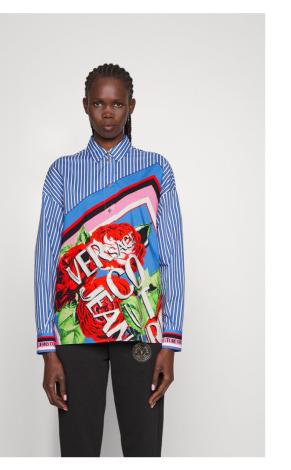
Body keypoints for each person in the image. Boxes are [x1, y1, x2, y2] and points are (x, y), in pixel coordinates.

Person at [34, 63, 185, 457]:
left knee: (143, 449)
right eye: (99, 103)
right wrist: (48, 348)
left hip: (140, 331)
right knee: (79, 451)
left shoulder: (157, 170)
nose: (107, 112)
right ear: (85, 105)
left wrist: (170, 342)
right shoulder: (62, 172)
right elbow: (46, 261)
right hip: (75, 337)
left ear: (131, 106)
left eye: (117, 104)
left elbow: (172, 257)